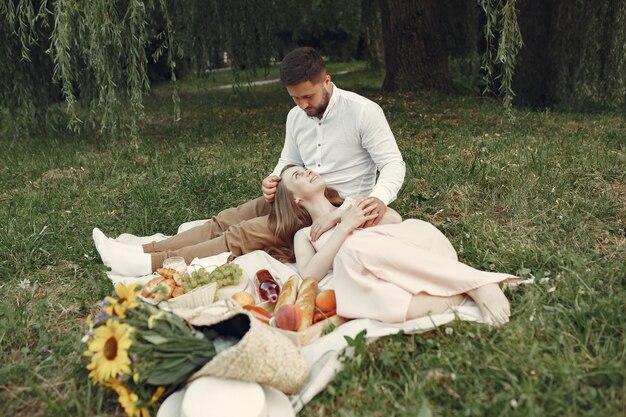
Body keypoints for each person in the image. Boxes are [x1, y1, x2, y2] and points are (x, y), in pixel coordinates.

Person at [93, 47, 405, 277]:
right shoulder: (296, 116)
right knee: (225, 220)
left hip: (330, 210)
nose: (303, 105)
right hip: (296, 193)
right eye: (295, 98)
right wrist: (274, 178)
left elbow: (393, 163)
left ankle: (149, 265)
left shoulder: (363, 112)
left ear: (327, 80)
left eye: (308, 96)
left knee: (242, 235)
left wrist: (377, 199)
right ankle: (144, 250)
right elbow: (288, 159)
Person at [270, 165, 517, 326]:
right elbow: (310, 274)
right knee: (352, 249)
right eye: (298, 176)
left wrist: (342, 214)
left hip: (412, 256)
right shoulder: (305, 234)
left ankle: (472, 287)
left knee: (420, 226)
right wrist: (344, 229)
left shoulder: (351, 205)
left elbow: (395, 220)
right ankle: (467, 289)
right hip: (373, 269)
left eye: (304, 168)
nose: (307, 171)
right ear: (296, 199)